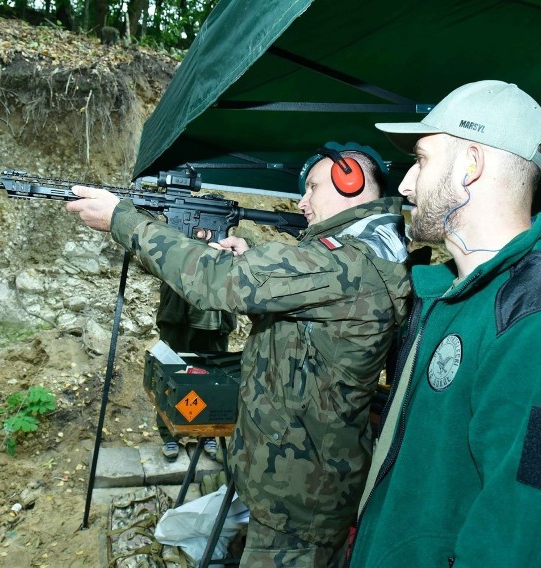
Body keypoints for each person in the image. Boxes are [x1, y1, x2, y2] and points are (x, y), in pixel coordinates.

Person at [66, 141, 411, 566]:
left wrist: (123, 220)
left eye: (313, 187)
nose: (302, 202)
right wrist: (251, 263)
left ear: (351, 181)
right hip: (298, 481)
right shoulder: (354, 258)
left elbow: (217, 281)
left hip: (299, 497)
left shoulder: (345, 262)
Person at [349, 80, 541, 567]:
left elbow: (529, 543)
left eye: (421, 159)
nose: (403, 184)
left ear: (470, 165)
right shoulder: (454, 298)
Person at [154, 283, 236, 461]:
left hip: (216, 322)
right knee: (171, 376)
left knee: (213, 381)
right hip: (177, 316)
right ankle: (169, 436)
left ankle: (207, 433)